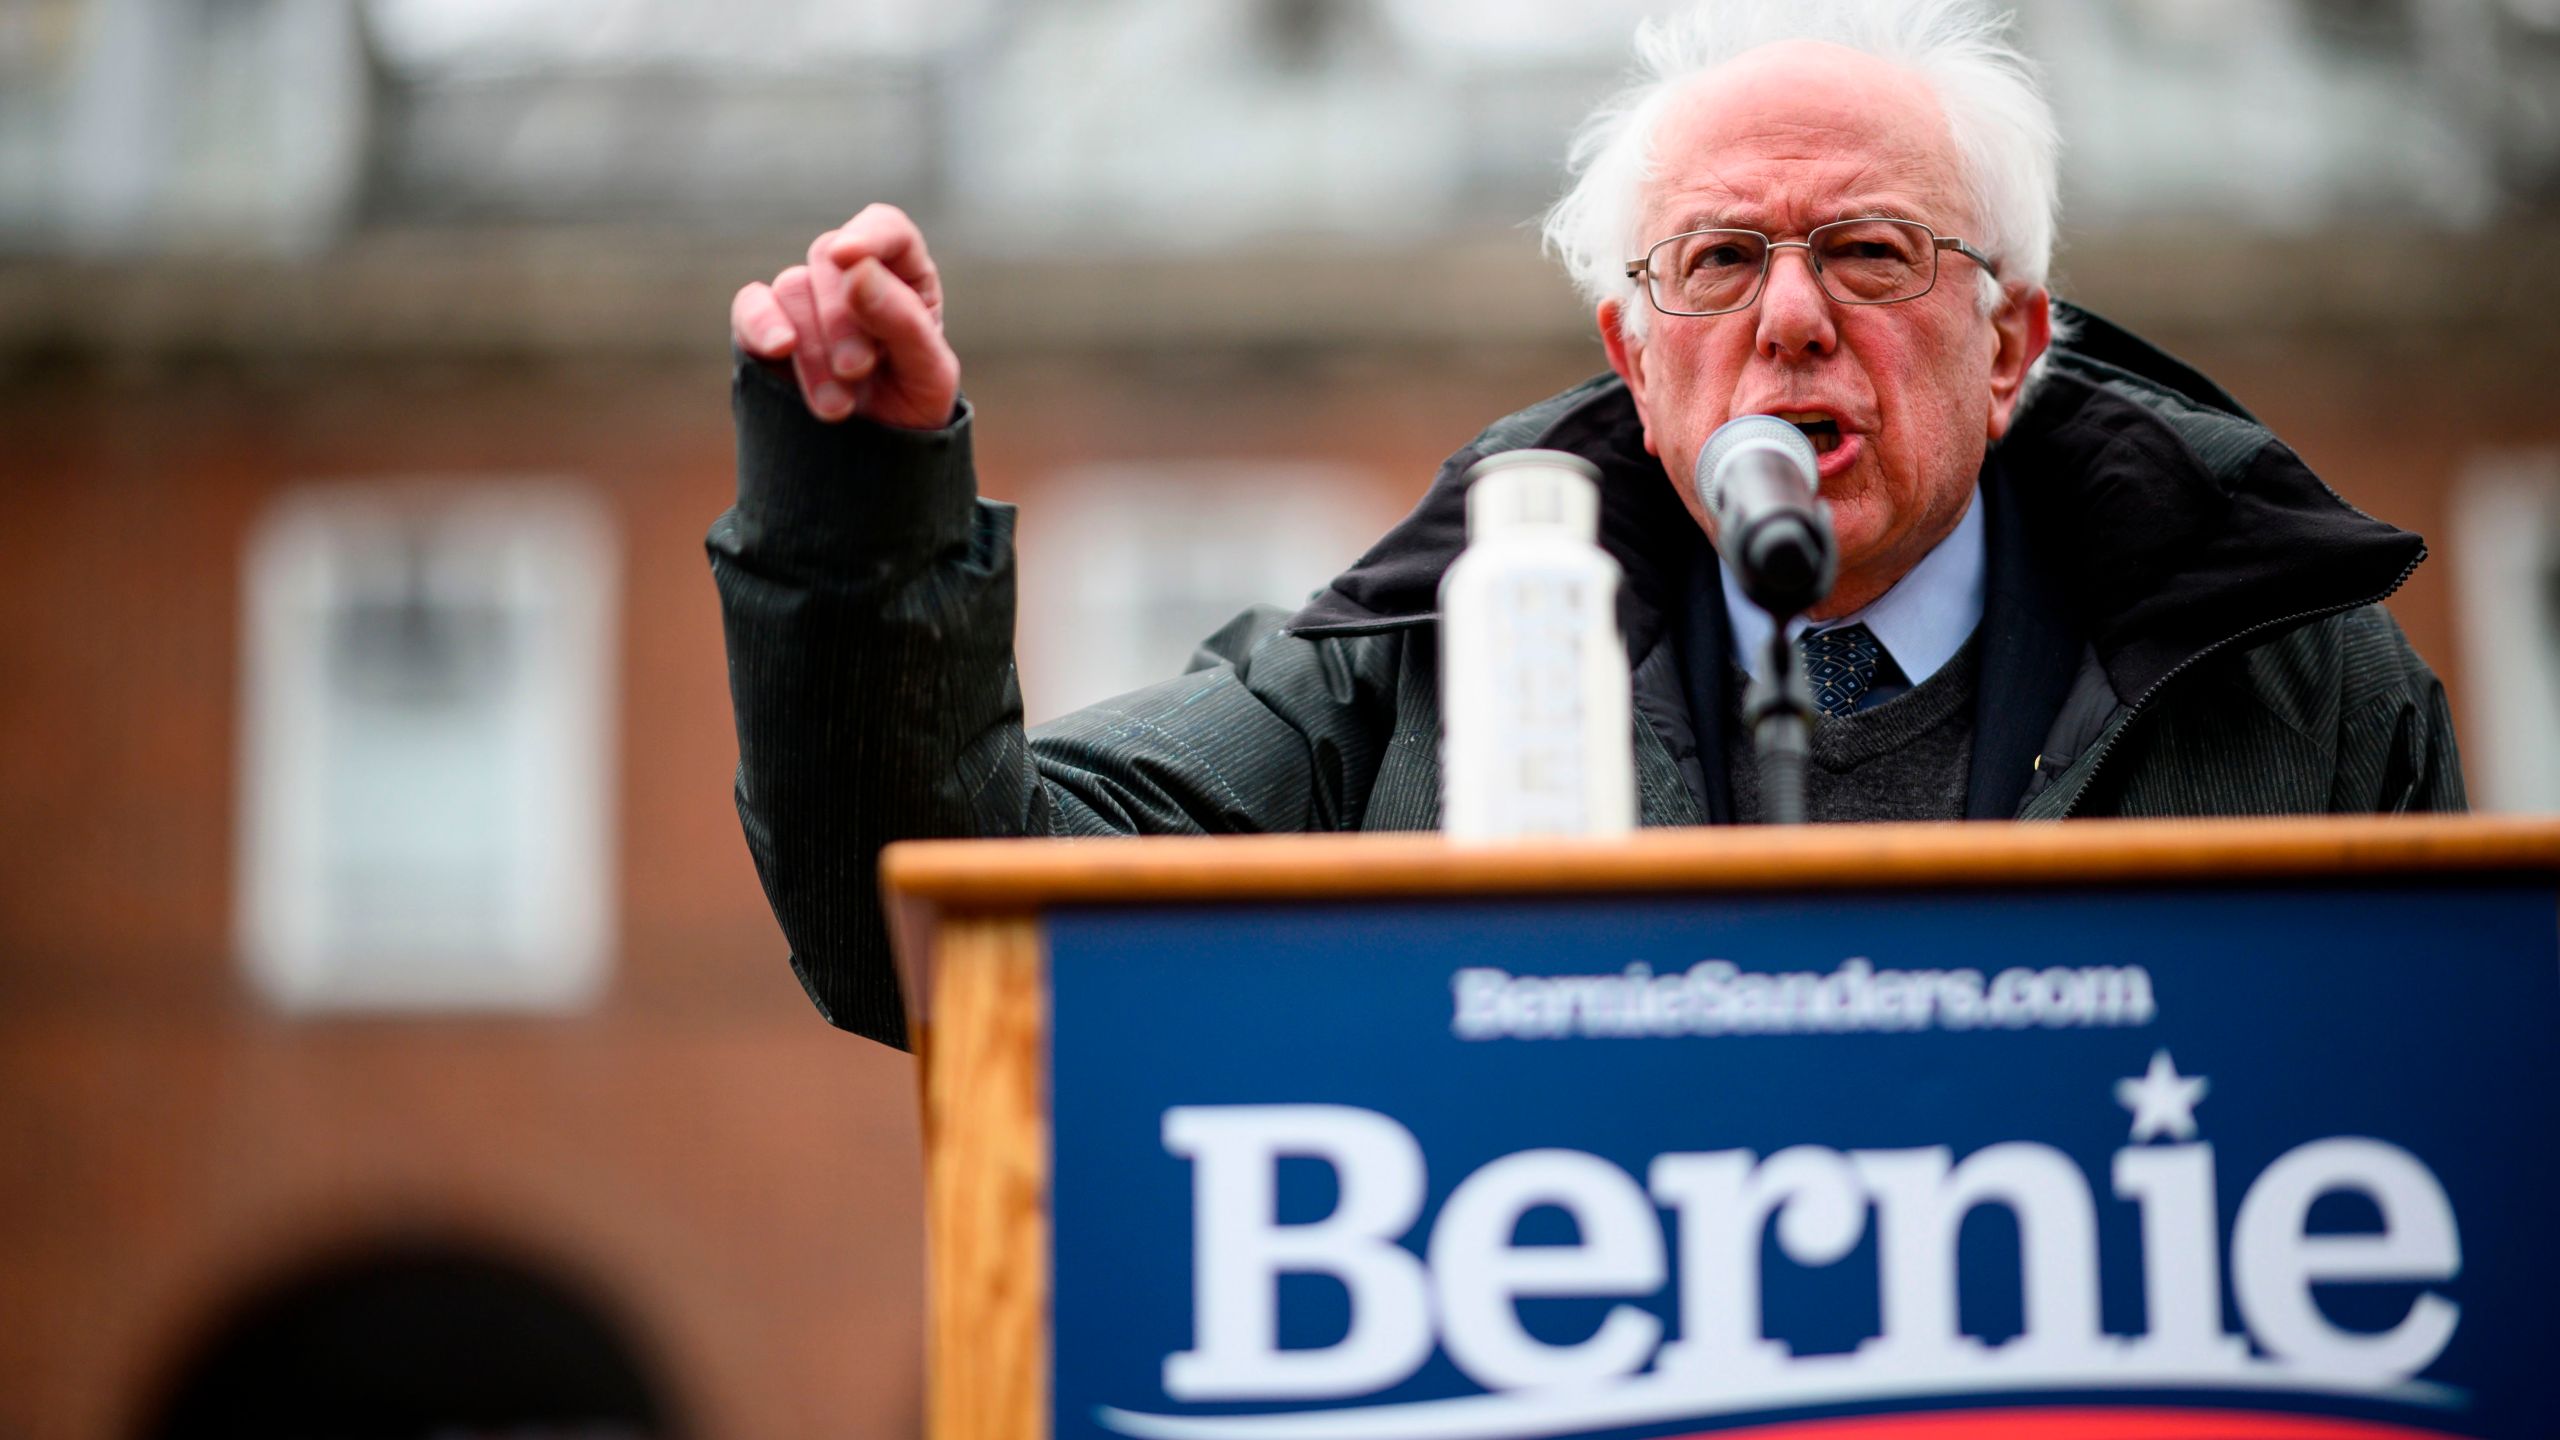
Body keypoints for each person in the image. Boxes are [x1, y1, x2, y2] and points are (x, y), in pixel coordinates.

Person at [708, 0, 2463, 1049]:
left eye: (1869, 251)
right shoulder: (1408, 669)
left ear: (2010, 343)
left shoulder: (2300, 684)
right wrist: (862, 498)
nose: (1789, 320)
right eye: (1718, 261)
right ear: (1636, 360)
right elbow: (925, 925)